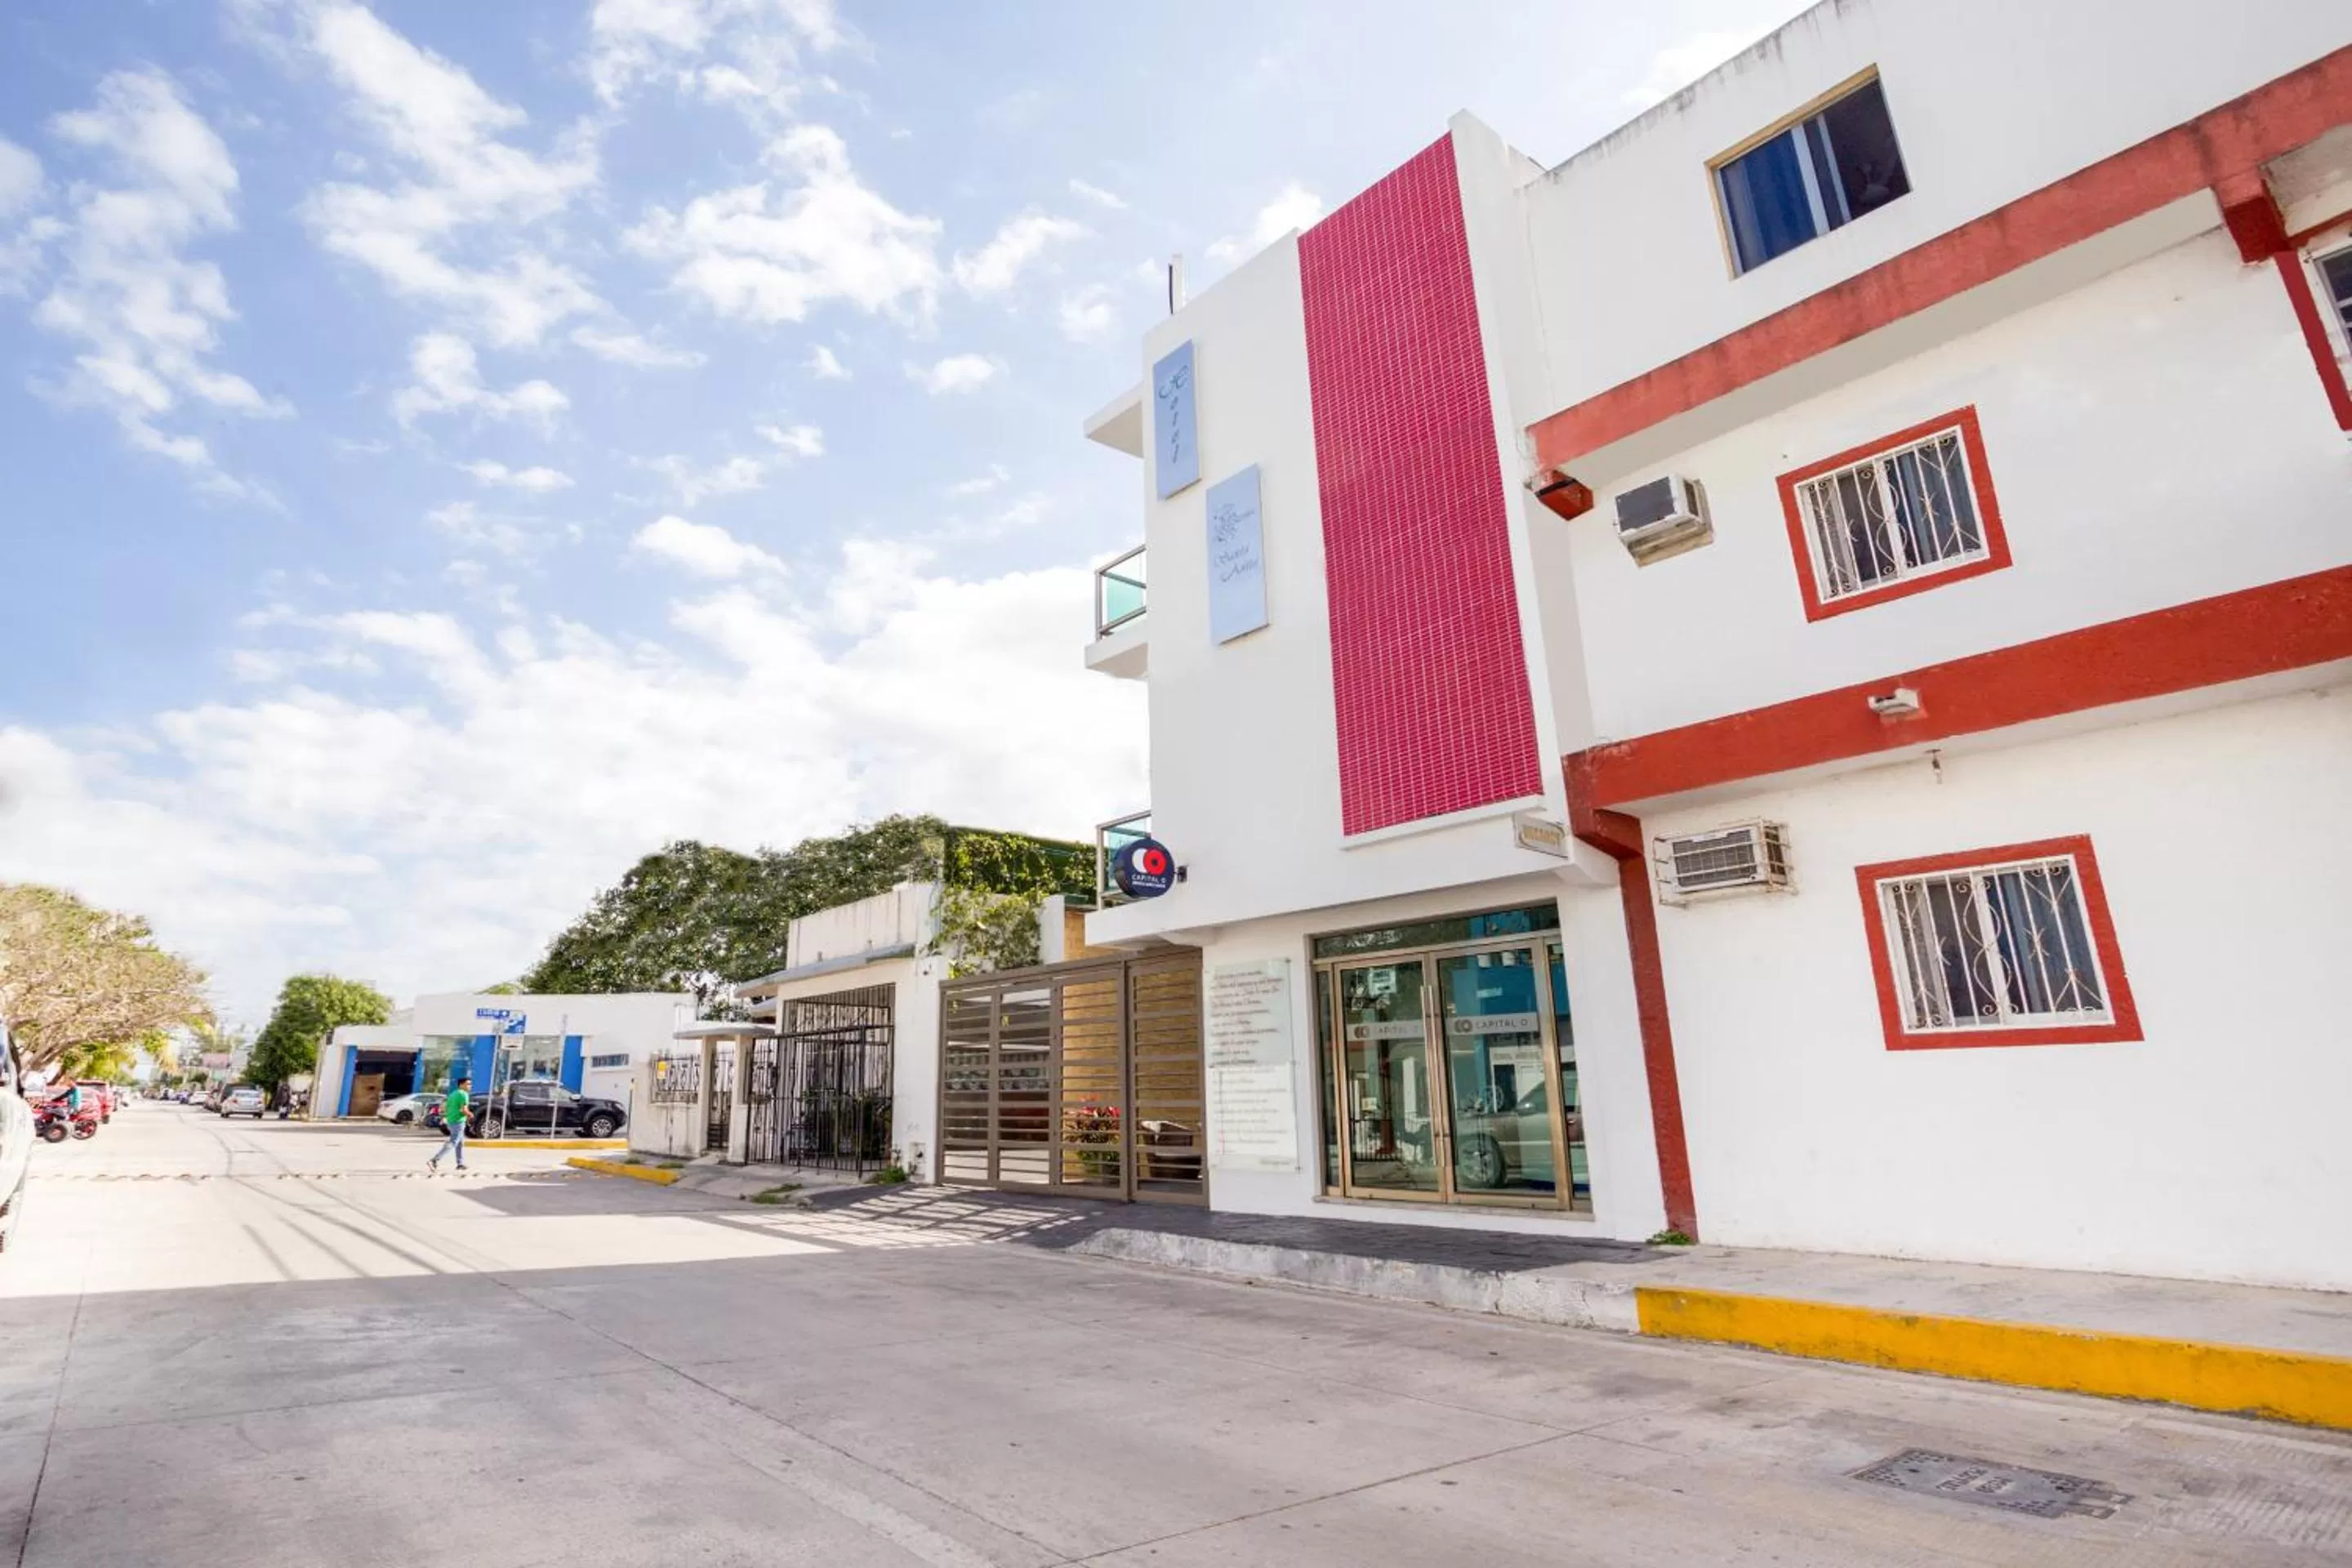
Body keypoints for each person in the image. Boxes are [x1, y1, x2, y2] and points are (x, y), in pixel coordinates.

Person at [427, 1071, 471, 1173]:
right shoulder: (464, 1094)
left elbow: (447, 1107)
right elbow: (463, 1110)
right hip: (458, 1121)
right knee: (453, 1142)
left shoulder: (453, 1094)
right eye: (468, 1084)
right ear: (461, 1085)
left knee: (460, 1143)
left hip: (451, 1121)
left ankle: (460, 1164)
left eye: (470, 1084)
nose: (470, 1086)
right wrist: (470, 1115)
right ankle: (434, 1160)